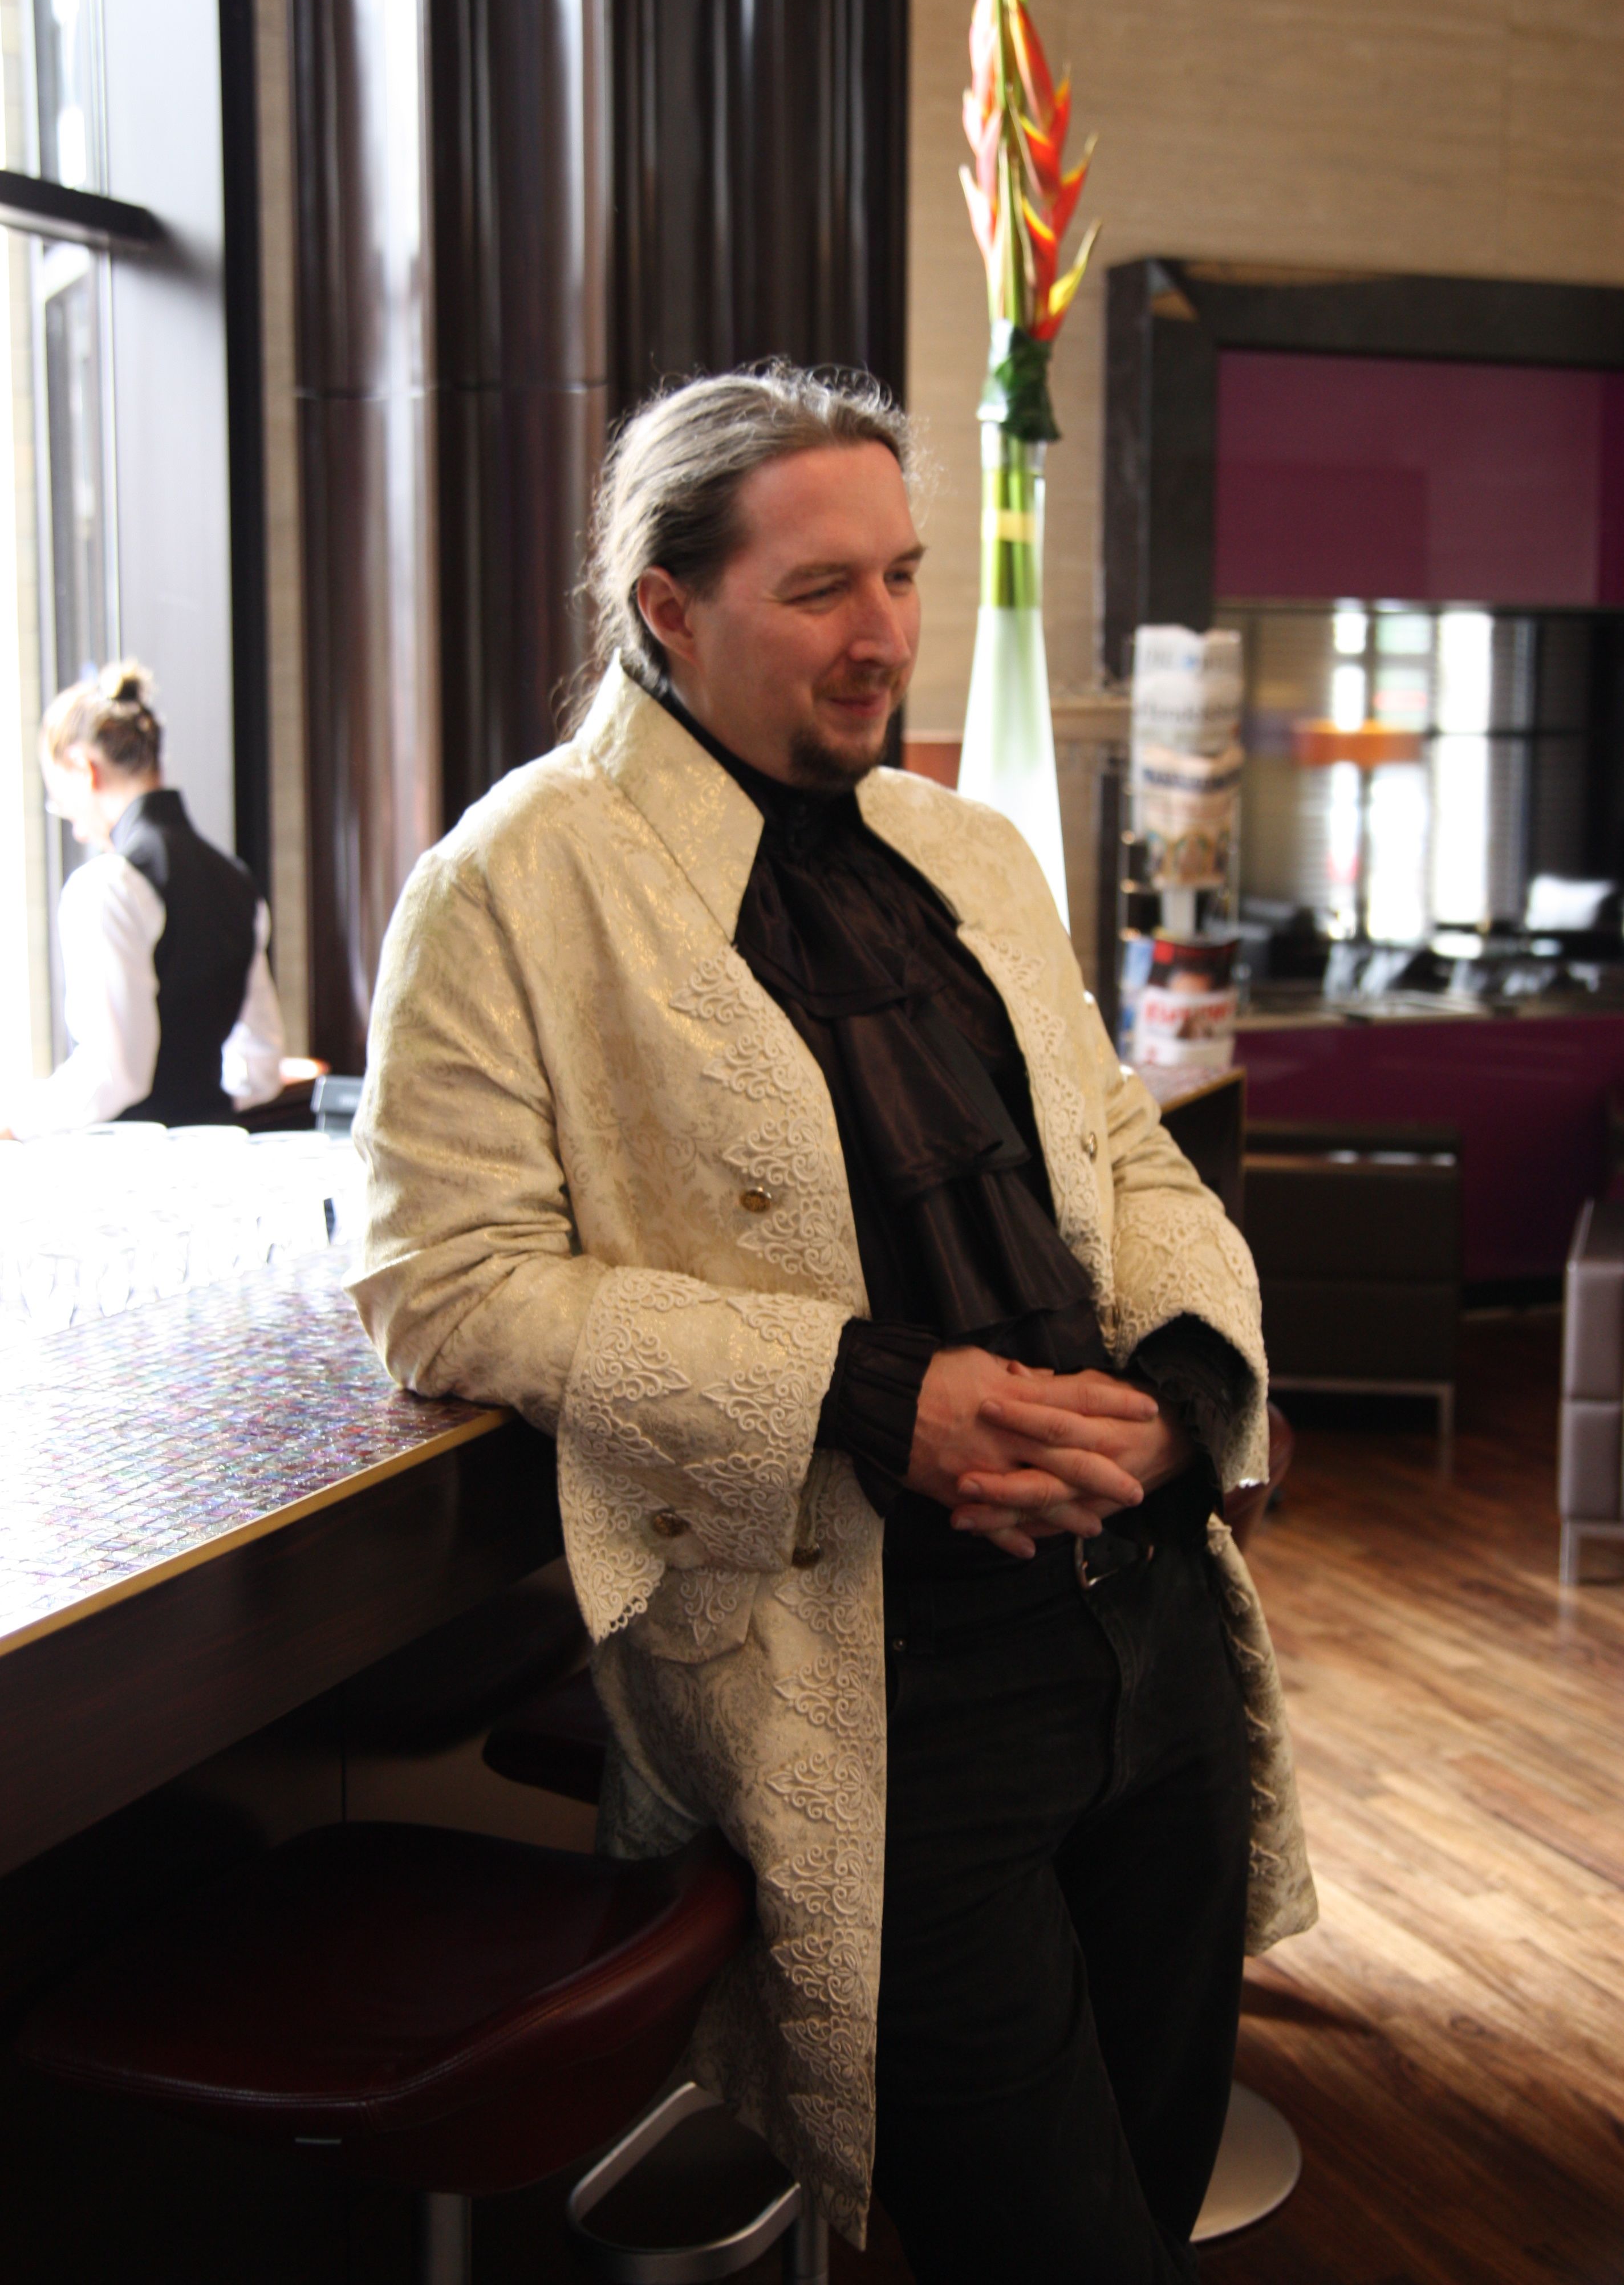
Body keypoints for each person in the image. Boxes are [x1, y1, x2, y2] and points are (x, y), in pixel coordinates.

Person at [351, 368, 1316, 2282]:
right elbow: (440, 1286)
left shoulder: (970, 852)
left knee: (1149, 2183)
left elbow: (1121, 1151)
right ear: (667, 605)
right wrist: (872, 1393)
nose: (883, 633)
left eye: (901, 574)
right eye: (818, 590)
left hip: (1149, 1635)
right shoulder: (507, 887)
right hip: (873, 1677)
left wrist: (1177, 1395)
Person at [3, 662, 285, 1138]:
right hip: (219, 1153)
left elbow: (115, 1073)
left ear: (84, 769)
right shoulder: (237, 882)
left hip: (132, 1166)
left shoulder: (107, 886)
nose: (73, 826)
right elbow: (261, 1066)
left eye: (59, 800)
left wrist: (17, 1121)